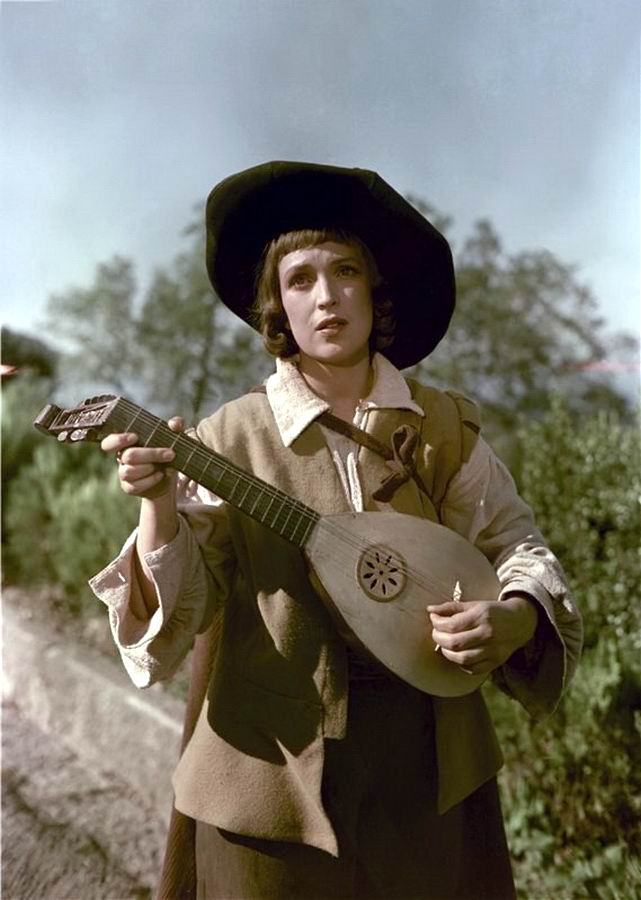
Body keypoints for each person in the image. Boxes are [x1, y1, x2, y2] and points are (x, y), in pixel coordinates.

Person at [90, 161, 582, 900]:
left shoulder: (442, 426)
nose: (325, 297)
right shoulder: (230, 437)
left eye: (345, 271)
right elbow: (182, 616)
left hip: (425, 772)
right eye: (299, 280)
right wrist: (158, 504)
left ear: (375, 291)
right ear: (276, 308)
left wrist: (513, 617)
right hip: (269, 778)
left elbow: (514, 545)